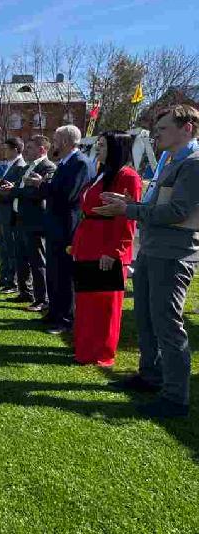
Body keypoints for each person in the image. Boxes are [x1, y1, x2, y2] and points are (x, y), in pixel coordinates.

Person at [96, 105, 199, 418]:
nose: (156, 135)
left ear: (188, 129)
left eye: (163, 129)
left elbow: (176, 212)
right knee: (146, 319)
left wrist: (128, 210)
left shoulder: (193, 164)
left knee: (168, 325)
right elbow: (158, 205)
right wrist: (131, 204)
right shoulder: (171, 160)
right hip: (154, 250)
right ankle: (150, 375)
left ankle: (175, 398)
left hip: (173, 254)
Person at [70, 132, 142, 367]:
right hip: (89, 243)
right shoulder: (103, 172)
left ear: (116, 148)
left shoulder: (128, 176)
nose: (97, 149)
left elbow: (128, 220)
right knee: (87, 302)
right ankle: (84, 348)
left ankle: (101, 352)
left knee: (104, 305)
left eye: (102, 145)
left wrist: (114, 252)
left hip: (105, 248)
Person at [26, 125, 95, 334]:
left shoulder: (80, 163)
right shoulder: (65, 162)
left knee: (64, 274)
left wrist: (42, 185)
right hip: (56, 225)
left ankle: (65, 318)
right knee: (54, 272)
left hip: (67, 227)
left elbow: (69, 196)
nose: (53, 144)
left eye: (55, 139)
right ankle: (54, 312)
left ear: (65, 141)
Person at [9, 135, 57, 312]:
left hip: (35, 222)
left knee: (37, 261)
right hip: (20, 219)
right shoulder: (29, 167)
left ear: (42, 150)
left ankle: (42, 299)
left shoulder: (48, 167)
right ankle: (25, 292)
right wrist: (12, 190)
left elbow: (38, 194)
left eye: (29, 147)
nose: (26, 150)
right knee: (21, 258)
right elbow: (19, 188)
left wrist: (17, 191)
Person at [0, 139, 27, 291]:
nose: (4, 151)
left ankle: (12, 282)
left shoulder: (20, 166)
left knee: (11, 248)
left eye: (7, 149)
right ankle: (4, 278)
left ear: (15, 149)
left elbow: (12, 192)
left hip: (9, 214)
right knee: (3, 247)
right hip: (2, 213)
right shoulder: (12, 164)